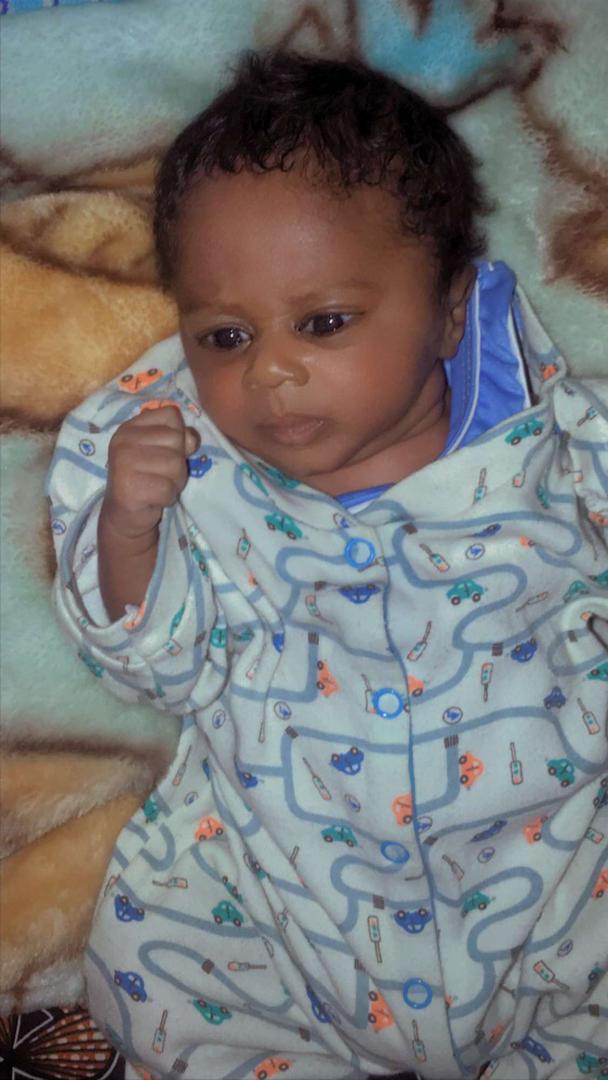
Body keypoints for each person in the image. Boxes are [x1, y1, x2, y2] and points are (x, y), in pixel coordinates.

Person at [47, 51, 607, 1080]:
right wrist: (128, 528)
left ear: (447, 309)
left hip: (552, 897)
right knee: (147, 976)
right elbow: (155, 667)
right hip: (279, 910)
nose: (269, 369)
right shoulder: (194, 474)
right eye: (224, 335)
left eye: (324, 323)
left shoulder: (560, 450)